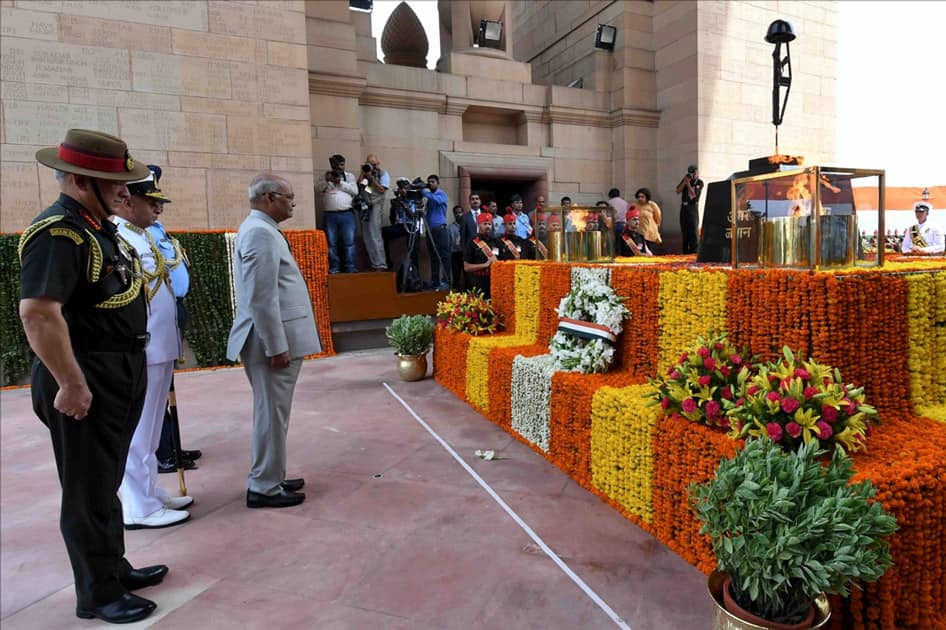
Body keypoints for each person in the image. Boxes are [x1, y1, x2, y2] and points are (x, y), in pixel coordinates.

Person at [19, 128, 164, 624]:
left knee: (105, 480)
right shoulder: (58, 232)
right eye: (115, 182)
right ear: (82, 181)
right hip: (84, 374)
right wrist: (71, 383)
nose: (127, 191)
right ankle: (98, 594)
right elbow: (38, 313)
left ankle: (113, 568)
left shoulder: (92, 226)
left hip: (115, 368)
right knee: (86, 488)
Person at [227, 174, 322, 509]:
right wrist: (275, 345)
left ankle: (271, 475)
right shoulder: (259, 233)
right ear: (268, 197)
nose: (293, 202)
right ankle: (263, 486)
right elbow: (261, 298)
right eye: (289, 196)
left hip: (272, 339)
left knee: (274, 413)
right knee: (270, 414)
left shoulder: (263, 230)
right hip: (269, 343)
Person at [115, 167, 193, 530]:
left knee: (148, 429)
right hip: (143, 348)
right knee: (139, 429)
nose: (157, 209)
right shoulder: (121, 238)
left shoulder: (142, 236)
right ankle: (137, 505)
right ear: (128, 202)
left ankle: (146, 491)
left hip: (160, 346)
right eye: (151, 201)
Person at [144, 167, 201, 474]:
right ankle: (165, 453)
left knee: (166, 382)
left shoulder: (156, 228)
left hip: (174, 307)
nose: (158, 207)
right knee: (155, 389)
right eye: (151, 199)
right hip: (157, 314)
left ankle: (172, 445)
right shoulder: (138, 233)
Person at [315, 154, 358, 274]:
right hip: (330, 215)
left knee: (349, 242)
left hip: (347, 214)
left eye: (341, 165)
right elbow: (317, 189)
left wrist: (340, 182)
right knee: (331, 243)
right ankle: (334, 268)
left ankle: (350, 267)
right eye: (336, 165)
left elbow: (355, 191)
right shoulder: (326, 176)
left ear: (344, 164)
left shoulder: (349, 176)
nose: (339, 167)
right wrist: (327, 180)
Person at [359, 153, 389, 271]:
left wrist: (371, 178)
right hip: (366, 206)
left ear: (378, 163)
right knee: (367, 236)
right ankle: (374, 263)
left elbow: (381, 189)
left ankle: (381, 264)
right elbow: (363, 188)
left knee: (375, 235)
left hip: (376, 206)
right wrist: (363, 175)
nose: (371, 166)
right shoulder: (366, 175)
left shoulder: (383, 174)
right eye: (369, 164)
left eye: (373, 164)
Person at [421, 174, 451, 290]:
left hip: (440, 230)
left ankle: (446, 281)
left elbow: (438, 201)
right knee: (433, 257)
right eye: (429, 182)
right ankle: (435, 281)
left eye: (433, 182)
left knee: (444, 256)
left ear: (438, 183)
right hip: (430, 230)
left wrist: (424, 192)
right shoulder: (428, 197)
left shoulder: (441, 194)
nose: (430, 184)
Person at [464, 212, 500, 298]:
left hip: (493, 282)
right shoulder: (472, 242)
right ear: (479, 225)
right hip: (477, 283)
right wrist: (485, 265)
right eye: (485, 224)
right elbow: (466, 267)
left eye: (489, 224)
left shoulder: (496, 242)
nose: (487, 226)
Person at [676, 165, 704, 254]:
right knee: (685, 230)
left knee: (693, 230)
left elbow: (693, 195)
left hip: (692, 208)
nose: (692, 175)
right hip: (684, 208)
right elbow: (678, 190)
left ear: (697, 173)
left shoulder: (699, 182)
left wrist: (688, 183)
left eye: (694, 173)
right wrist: (685, 181)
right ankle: (685, 252)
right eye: (691, 172)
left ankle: (694, 252)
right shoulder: (686, 180)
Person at [634, 187, 663, 253]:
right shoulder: (635, 205)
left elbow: (658, 217)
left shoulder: (652, 205)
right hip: (639, 233)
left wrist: (656, 226)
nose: (640, 199)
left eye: (642, 197)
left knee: (650, 251)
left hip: (650, 232)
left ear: (647, 197)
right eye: (639, 197)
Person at [449, 205, 464, 290]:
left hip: (465, 253)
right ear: (454, 214)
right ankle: (456, 296)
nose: (458, 214)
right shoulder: (450, 227)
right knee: (456, 275)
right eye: (456, 213)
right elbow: (450, 242)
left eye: (460, 212)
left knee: (467, 275)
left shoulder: (466, 225)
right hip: (455, 253)